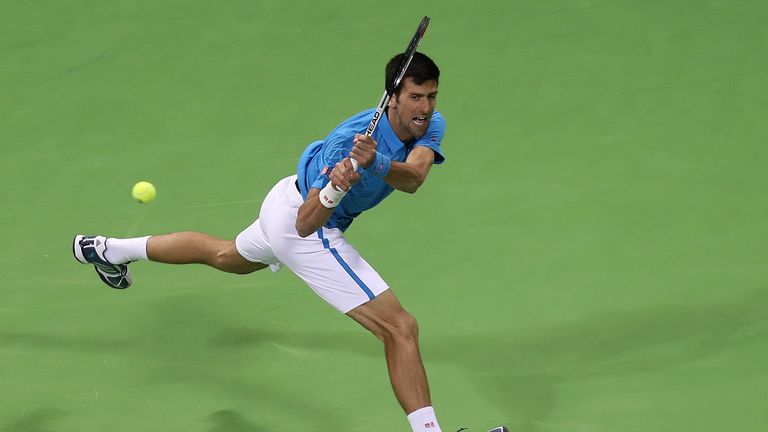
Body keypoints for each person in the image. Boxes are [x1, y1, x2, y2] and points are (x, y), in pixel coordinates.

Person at [74, 52, 502, 432]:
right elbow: (305, 224)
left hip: (281, 204)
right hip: (302, 222)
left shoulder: (427, 125)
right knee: (400, 328)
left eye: (431, 97)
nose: (425, 108)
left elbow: (414, 179)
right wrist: (335, 188)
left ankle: (107, 249)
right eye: (416, 98)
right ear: (392, 96)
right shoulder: (343, 145)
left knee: (227, 257)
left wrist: (376, 162)